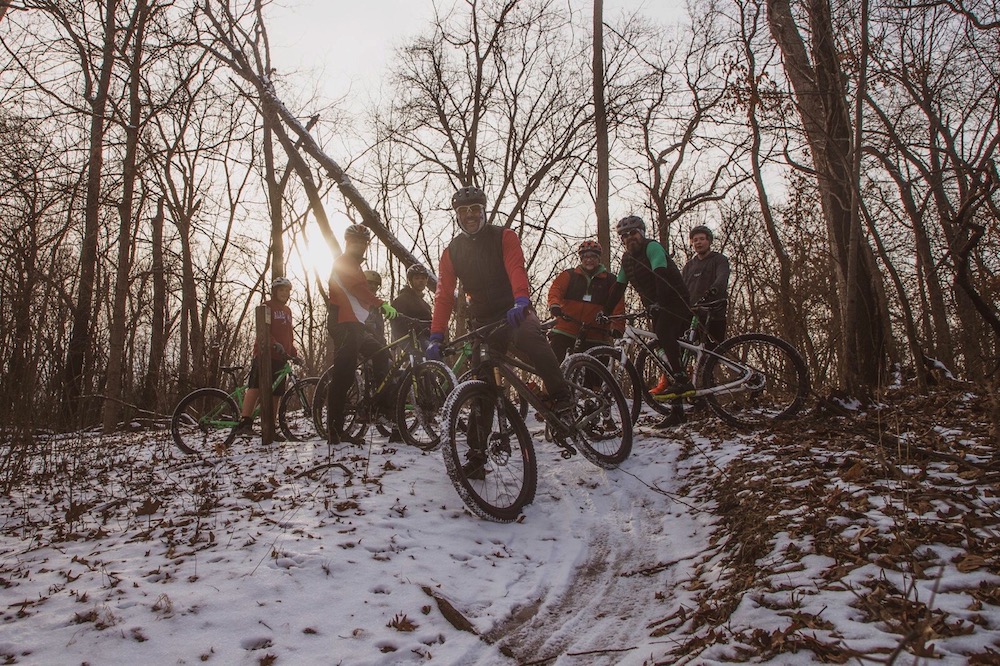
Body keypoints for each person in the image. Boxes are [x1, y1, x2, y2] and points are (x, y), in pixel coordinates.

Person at [426, 186, 573, 475]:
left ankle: (561, 396)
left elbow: (516, 268)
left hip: (513, 311)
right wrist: (436, 335)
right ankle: (477, 454)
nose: (470, 215)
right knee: (482, 386)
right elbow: (444, 295)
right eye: (463, 211)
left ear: (484, 210)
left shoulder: (504, 236)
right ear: (457, 216)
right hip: (482, 322)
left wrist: (521, 300)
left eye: (475, 210)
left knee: (530, 338)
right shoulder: (452, 252)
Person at [602, 215, 693, 428]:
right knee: (666, 355)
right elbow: (619, 286)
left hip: (675, 302)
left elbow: (660, 274)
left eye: (633, 233)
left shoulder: (653, 248)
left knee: (664, 334)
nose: (629, 238)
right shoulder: (627, 259)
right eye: (624, 236)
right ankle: (677, 410)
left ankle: (681, 378)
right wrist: (605, 311)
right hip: (657, 307)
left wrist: (659, 302)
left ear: (641, 233)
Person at [326, 224, 398, 446]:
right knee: (343, 376)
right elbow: (357, 288)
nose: (359, 246)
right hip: (343, 323)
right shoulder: (344, 262)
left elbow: (360, 291)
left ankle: (379, 405)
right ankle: (334, 431)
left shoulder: (356, 266)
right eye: (355, 241)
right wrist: (381, 303)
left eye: (363, 243)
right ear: (347, 242)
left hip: (357, 325)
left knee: (380, 354)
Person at [234, 276, 300, 440]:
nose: (284, 293)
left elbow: (289, 334)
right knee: (256, 387)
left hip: (281, 358)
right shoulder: (267, 307)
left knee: (276, 393)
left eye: (287, 290)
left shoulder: (287, 311)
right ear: (275, 291)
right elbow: (263, 330)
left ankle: (270, 426)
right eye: (281, 290)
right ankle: (245, 421)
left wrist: (293, 352)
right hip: (265, 354)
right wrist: (274, 343)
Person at [546, 240, 624, 360]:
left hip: (597, 335)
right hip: (566, 330)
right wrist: (554, 305)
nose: (589, 260)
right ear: (581, 258)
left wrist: (617, 326)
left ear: (599, 259)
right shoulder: (569, 275)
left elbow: (618, 304)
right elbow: (555, 290)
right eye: (586, 257)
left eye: (593, 256)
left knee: (595, 376)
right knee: (554, 369)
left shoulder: (610, 280)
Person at [681, 225, 730, 346]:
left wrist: (713, 291)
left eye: (702, 239)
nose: (698, 243)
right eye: (695, 240)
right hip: (691, 315)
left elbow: (722, 278)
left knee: (712, 355)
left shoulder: (719, 260)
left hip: (713, 315)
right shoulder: (689, 266)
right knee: (682, 351)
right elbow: (681, 287)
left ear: (709, 241)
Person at [390, 263, 433, 344]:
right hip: (411, 340)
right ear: (411, 281)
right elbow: (396, 323)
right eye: (417, 278)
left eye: (423, 278)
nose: (421, 281)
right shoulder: (402, 299)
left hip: (427, 339)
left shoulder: (426, 305)